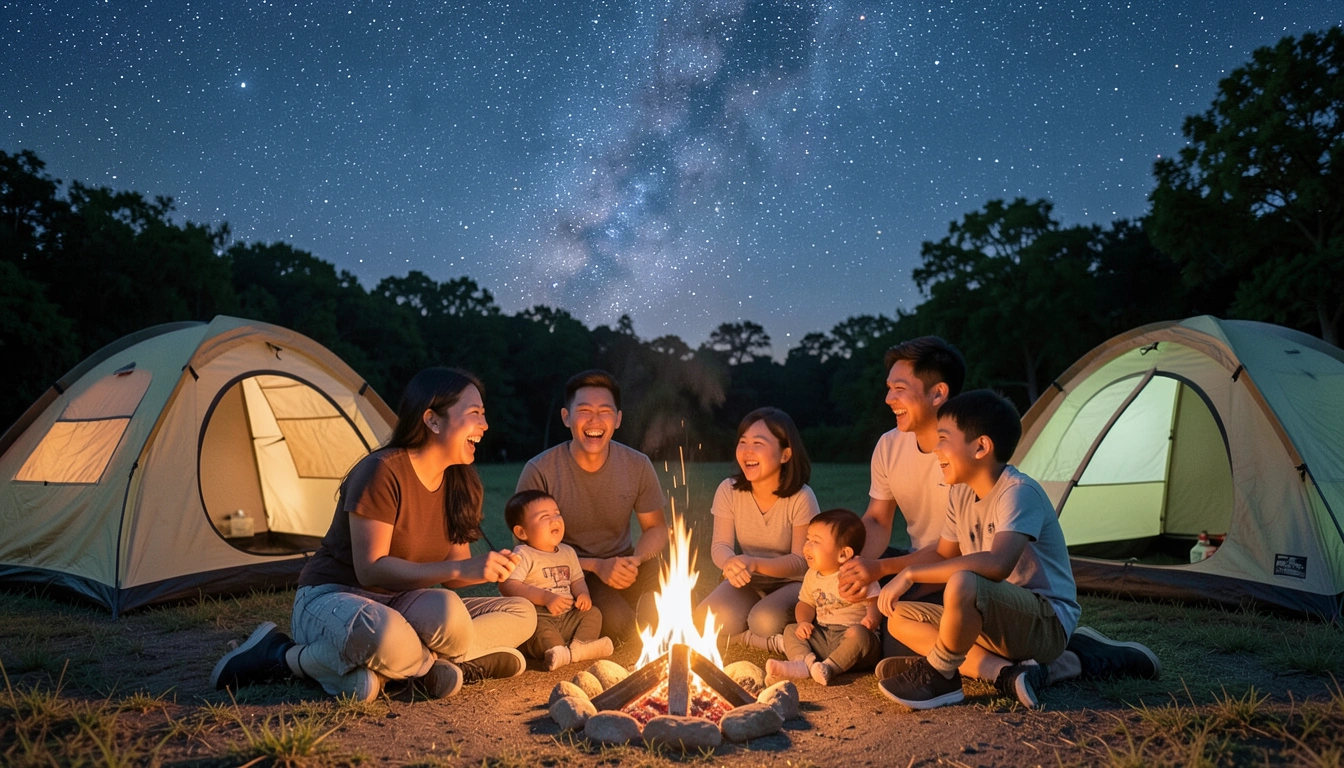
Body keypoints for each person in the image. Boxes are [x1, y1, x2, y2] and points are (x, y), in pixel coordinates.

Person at [837, 337, 1160, 683]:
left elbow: (987, 560)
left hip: (987, 588)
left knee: (925, 615)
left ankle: (1062, 658)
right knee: (893, 617)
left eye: (899, 389)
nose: (888, 399)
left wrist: (899, 572)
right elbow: (890, 526)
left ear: (938, 393)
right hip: (951, 577)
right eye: (888, 388)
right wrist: (858, 567)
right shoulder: (909, 456)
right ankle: (1004, 672)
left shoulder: (995, 476)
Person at [211, 368, 537, 702]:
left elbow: (455, 577)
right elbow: (371, 568)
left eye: (483, 414)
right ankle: (282, 655)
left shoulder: (460, 484)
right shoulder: (382, 471)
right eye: (475, 414)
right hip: (336, 597)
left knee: (518, 613)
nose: (485, 425)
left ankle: (389, 669)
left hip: (404, 603)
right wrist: (459, 568)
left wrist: (494, 568)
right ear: (432, 420)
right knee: (387, 636)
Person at [878, 390, 1079, 710]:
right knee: (899, 617)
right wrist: (888, 572)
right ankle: (1004, 673)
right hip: (993, 617)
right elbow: (944, 554)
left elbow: (998, 564)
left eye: (944, 439)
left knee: (964, 581)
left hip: (1045, 622)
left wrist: (911, 573)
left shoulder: (1018, 492)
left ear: (981, 447)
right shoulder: (960, 494)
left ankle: (940, 672)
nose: (936, 450)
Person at [515, 370, 668, 643]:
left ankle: (653, 615)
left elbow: (655, 528)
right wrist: (597, 566)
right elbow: (526, 550)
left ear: (618, 419)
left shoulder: (637, 465)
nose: (594, 420)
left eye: (605, 411)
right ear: (566, 417)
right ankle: (630, 619)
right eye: (584, 410)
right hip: (571, 573)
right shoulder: (541, 470)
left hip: (623, 562)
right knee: (619, 624)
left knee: (672, 587)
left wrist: (634, 561)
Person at [694, 407, 819, 653]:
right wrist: (730, 563)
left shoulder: (801, 497)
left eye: (758, 443)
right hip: (748, 581)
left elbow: (801, 561)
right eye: (743, 442)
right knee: (703, 620)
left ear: (785, 454)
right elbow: (720, 546)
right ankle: (749, 632)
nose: (747, 450)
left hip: (793, 583)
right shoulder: (728, 490)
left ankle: (752, 630)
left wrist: (754, 563)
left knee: (763, 621)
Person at [498, 489, 614, 670]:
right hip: (540, 617)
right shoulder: (523, 554)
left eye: (557, 514)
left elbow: (577, 580)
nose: (555, 520)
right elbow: (508, 586)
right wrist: (545, 598)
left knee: (593, 614)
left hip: (568, 615)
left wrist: (583, 594)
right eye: (544, 517)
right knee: (539, 632)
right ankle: (560, 650)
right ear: (521, 532)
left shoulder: (567, 552)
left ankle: (580, 646)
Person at [765, 509, 881, 686]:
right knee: (791, 629)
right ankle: (803, 663)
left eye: (816, 542)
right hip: (824, 636)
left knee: (858, 633)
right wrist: (803, 622)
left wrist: (872, 618)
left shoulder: (857, 572)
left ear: (843, 554)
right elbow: (806, 603)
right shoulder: (812, 575)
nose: (807, 546)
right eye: (808, 539)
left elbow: (874, 601)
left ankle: (829, 668)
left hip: (855, 644)